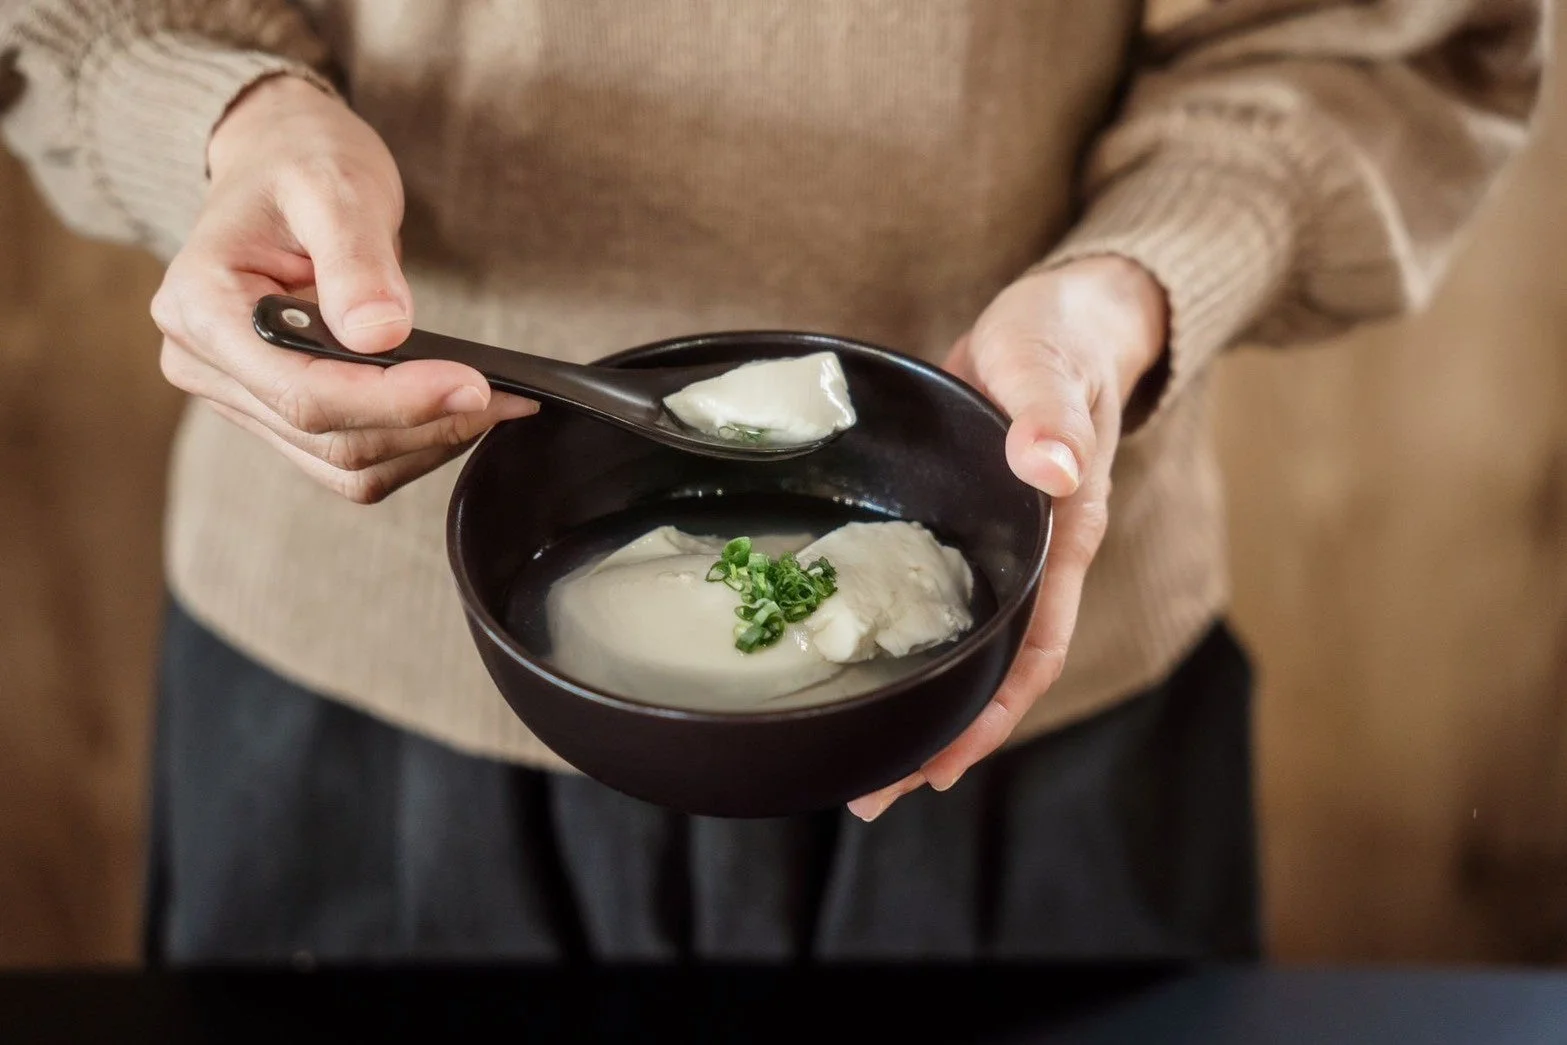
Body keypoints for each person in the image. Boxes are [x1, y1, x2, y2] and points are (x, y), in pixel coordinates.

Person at [1, 0, 1545, 963]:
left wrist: (1126, 289)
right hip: (355, 687)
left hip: (1010, 680)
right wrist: (230, 114)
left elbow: (1373, 38)